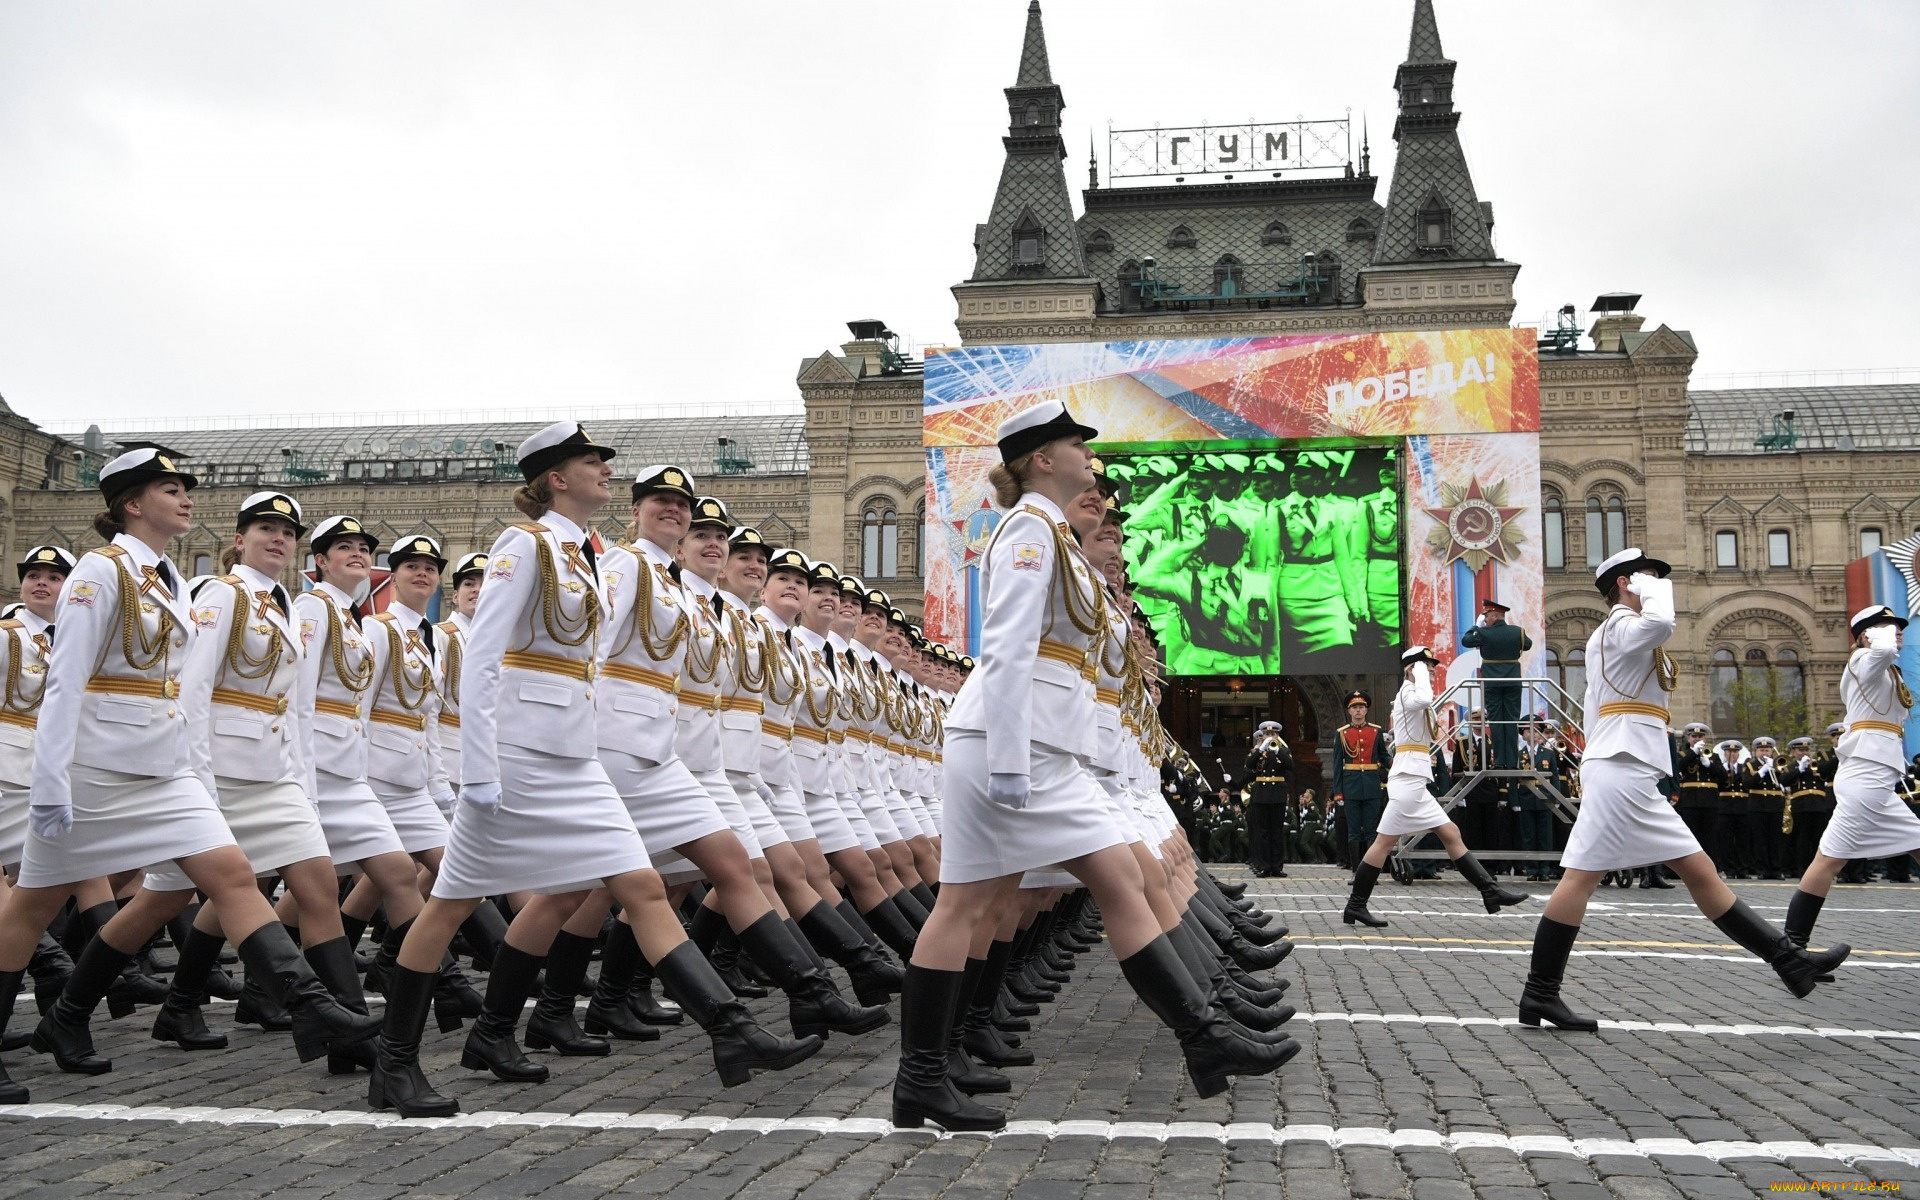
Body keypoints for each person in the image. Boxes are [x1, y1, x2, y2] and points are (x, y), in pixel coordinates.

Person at [366, 422, 819, 1119]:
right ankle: (393, 1064)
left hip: (574, 757)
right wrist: (480, 772)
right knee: (449, 904)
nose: (605, 473)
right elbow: (484, 657)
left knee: (640, 884)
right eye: (591, 463)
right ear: (555, 477)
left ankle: (731, 1030)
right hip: (519, 756)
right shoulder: (526, 546)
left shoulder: (581, 556)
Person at [891, 400, 1297, 1133]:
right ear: (1042, 459)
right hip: (1013, 747)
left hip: (1027, 744)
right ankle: (1203, 1036)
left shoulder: (1049, 535)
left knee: (970, 906)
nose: (1089, 456)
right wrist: (1012, 761)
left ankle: (924, 1079)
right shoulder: (1026, 530)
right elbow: (1008, 644)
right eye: (1077, 444)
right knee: (1105, 879)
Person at [0, 451, 377, 1102]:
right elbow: (65, 680)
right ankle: (60, 1021)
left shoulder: (166, 576)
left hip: (164, 767)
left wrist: (191, 769)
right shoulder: (101, 570)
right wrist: (52, 781)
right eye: (170, 489)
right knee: (32, 905)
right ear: (132, 504)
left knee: (230, 874)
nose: (186, 499)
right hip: (98, 766)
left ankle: (311, 1004)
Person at [1514, 548, 1849, 1032]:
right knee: (1605, 878)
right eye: (1649, 576)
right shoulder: (1620, 627)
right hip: (1621, 768)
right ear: (1627, 582)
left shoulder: (1625, 633)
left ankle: (1787, 961)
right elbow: (1662, 623)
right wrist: (1651, 592)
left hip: (1624, 766)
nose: (1658, 583)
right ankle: (1539, 994)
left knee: (1687, 871)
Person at [141, 491, 370, 1063]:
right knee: (167, 900)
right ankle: (92, 1006)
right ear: (238, 539)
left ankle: (349, 1035)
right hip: (226, 772)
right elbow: (191, 691)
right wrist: (200, 782)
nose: (278, 540)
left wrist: (304, 785)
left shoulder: (284, 606)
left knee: (317, 885)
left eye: (287, 533)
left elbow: (294, 707)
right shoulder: (222, 595)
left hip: (276, 776)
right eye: (265, 529)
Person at [1341, 647, 1528, 927]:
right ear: (1411, 668)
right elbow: (1426, 697)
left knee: (1449, 832)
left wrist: (1420, 671)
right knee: (1384, 843)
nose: (1431, 670)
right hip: (1408, 780)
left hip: (1414, 778)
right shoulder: (1409, 692)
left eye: (1431, 666)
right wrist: (1417, 671)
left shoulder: (1413, 693)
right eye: (1426, 665)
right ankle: (1356, 905)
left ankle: (1490, 891)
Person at [1783, 605, 1917, 955]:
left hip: (1876, 777)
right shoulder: (1863, 660)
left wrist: (1883, 638)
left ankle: (1791, 947)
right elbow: (1884, 649)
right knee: (1828, 860)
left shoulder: (1884, 667)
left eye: (1897, 626)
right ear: (1865, 634)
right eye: (1887, 626)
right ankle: (1791, 949)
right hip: (1865, 775)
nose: (1897, 631)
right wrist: (1880, 639)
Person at [1461, 599, 1531, 777]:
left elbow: (1466, 640)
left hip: (1491, 682)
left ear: (1493, 616)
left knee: (1497, 721)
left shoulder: (1483, 633)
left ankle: (1500, 762)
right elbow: (1528, 645)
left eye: (1486, 617)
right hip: (1513, 682)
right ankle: (1513, 762)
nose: (1485, 621)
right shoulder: (1517, 632)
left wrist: (1475, 626)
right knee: (1511, 720)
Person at [1331, 691, 1390, 869]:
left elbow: (1383, 755)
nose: (1358, 710)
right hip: (1351, 787)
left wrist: (1396, 762)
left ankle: (1370, 871)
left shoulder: (1376, 731)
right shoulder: (1342, 733)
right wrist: (1338, 792)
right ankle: (1356, 870)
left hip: (1372, 785)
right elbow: (1336, 766)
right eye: (1354, 707)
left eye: (1361, 707)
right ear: (1349, 711)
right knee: (1354, 832)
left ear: (1366, 710)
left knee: (1372, 832)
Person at [1242, 722, 1293, 878]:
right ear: (1262, 735)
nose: (1270, 737)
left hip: (1277, 794)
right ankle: (1264, 866)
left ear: (1278, 736)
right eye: (1267, 735)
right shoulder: (1257, 752)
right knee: (1263, 832)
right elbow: (1249, 765)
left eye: (1273, 735)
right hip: (1261, 794)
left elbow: (1290, 766)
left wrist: (1276, 750)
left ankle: (1277, 866)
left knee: (1276, 831)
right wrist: (1261, 749)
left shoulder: (1283, 751)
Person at [1515, 721, 1561, 882]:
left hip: (1545, 798)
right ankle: (1531, 868)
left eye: (1536, 731)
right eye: (1529, 731)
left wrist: (1556, 797)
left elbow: (1554, 776)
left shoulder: (1548, 753)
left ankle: (1544, 869)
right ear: (1523, 735)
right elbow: (1513, 780)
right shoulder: (1519, 754)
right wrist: (1514, 801)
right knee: (1529, 836)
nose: (1533, 734)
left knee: (1545, 836)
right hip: (1526, 798)